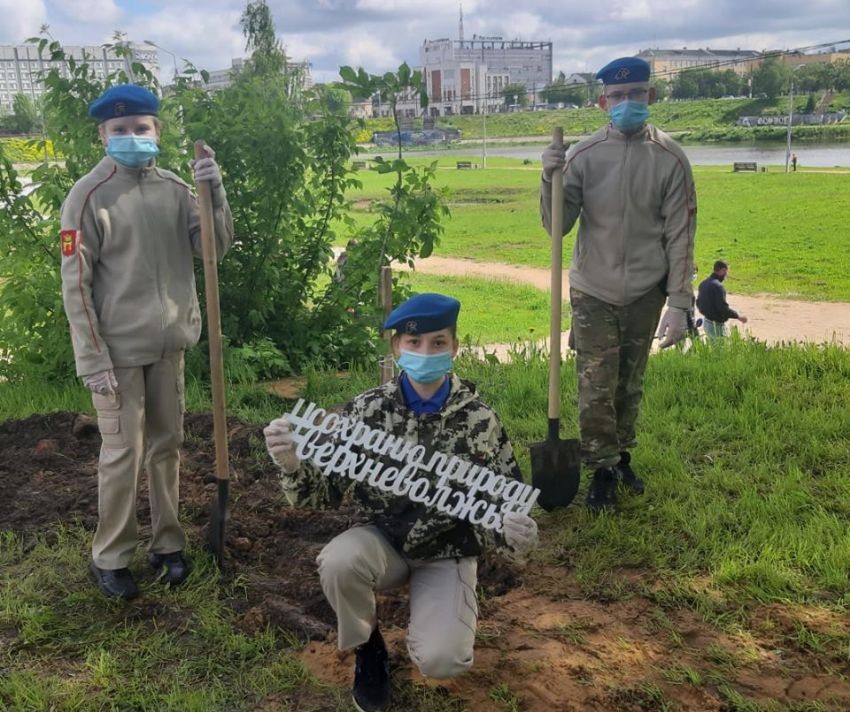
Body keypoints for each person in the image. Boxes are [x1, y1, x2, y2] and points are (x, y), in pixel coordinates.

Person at [264, 293, 538, 712]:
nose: (425, 352)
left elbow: (504, 498)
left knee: (443, 660)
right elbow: (320, 495)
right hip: (384, 541)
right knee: (339, 562)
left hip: (448, 549)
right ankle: (367, 645)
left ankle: (434, 621)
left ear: (454, 347)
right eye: (414, 343)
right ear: (396, 348)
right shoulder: (367, 411)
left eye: (438, 342)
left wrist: (517, 534)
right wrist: (291, 463)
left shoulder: (480, 420)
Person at [60, 84, 234, 599]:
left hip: (168, 346)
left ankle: (167, 544)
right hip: (115, 353)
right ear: (103, 136)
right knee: (123, 451)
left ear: (157, 131)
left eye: (141, 127)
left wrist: (215, 192)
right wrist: (92, 358)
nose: (131, 136)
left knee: (167, 446)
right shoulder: (89, 195)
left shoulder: (177, 189)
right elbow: (76, 283)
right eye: (120, 129)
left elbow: (214, 249)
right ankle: (111, 556)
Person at [540, 56, 697, 513]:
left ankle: (621, 453)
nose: (627, 102)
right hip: (593, 288)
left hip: (646, 290)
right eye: (617, 96)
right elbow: (557, 226)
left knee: (629, 383)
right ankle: (601, 469)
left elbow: (681, 235)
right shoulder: (583, 156)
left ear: (651, 96)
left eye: (636, 94)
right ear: (602, 102)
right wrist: (549, 177)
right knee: (596, 384)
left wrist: (679, 302)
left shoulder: (671, 159)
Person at [696, 260, 748, 338]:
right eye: (726, 271)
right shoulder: (718, 287)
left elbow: (698, 302)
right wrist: (738, 316)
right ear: (722, 270)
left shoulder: (703, 283)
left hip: (706, 323)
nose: (726, 274)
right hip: (716, 327)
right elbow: (722, 308)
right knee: (723, 344)